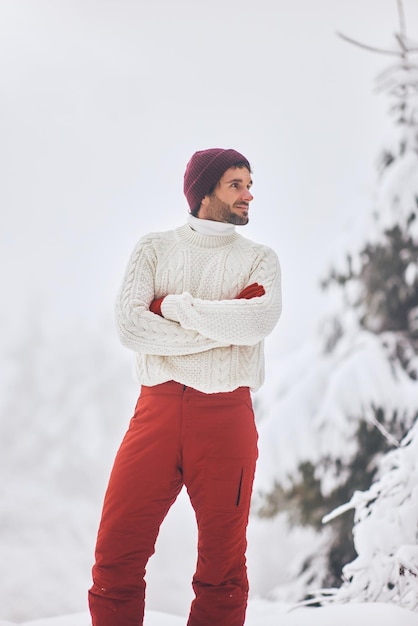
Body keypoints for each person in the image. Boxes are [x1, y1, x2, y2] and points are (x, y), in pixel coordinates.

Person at [88, 148, 282, 625]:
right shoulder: (154, 248)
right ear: (204, 190)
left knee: (223, 570)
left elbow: (257, 320)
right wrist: (221, 329)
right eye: (236, 183)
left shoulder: (259, 259)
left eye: (249, 183)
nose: (248, 193)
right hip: (155, 412)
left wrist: (172, 308)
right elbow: (131, 328)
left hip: (226, 421)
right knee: (115, 557)